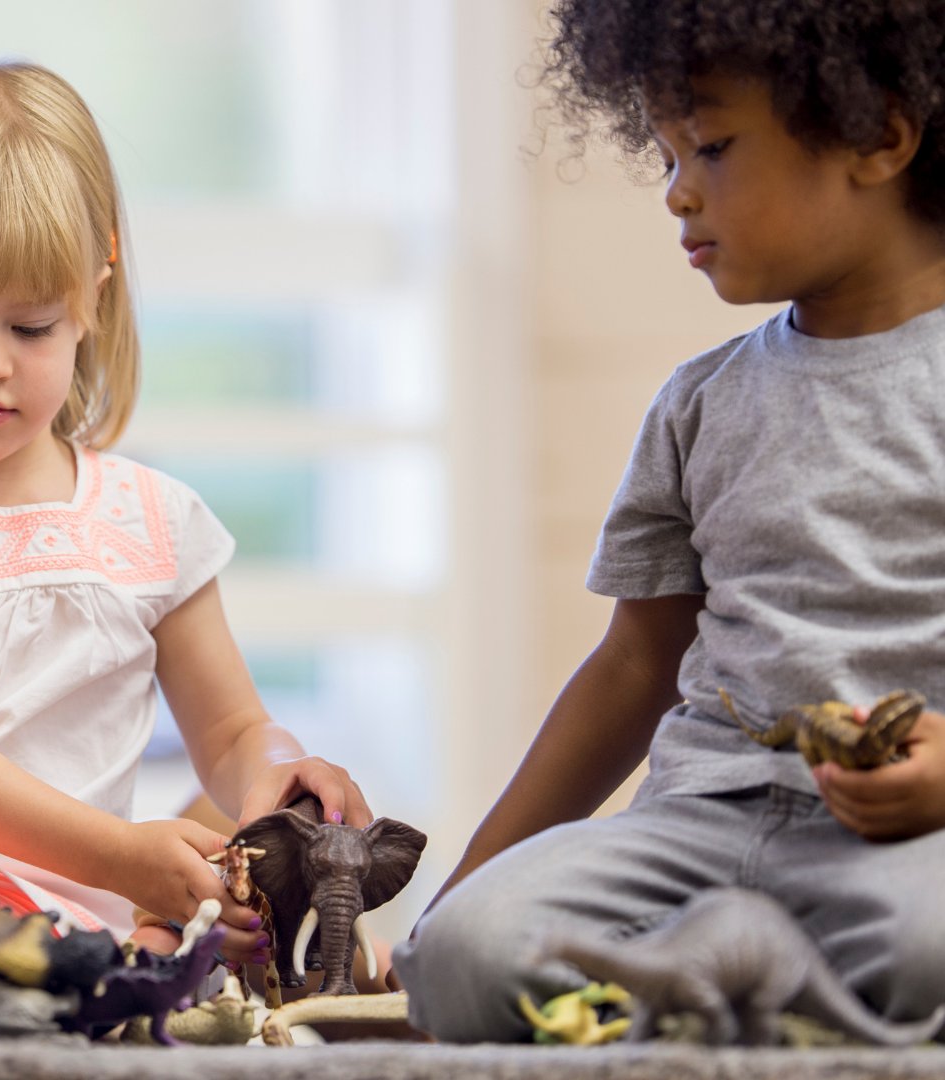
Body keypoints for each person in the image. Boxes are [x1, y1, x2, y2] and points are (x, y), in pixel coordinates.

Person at [392, 0, 945, 1042]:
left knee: (931, 949)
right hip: (700, 827)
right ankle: (763, 996)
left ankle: (710, 998)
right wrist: (457, 897)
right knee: (467, 956)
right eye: (666, 156)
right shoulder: (700, 403)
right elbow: (631, 668)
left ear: (879, 136)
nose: (677, 192)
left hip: (909, 846)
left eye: (713, 148)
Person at [0, 55, 374, 986]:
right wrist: (118, 855)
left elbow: (231, 732)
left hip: (80, 914)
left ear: (94, 289)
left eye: (30, 326)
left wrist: (282, 770)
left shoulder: (153, 519)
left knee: (198, 933)